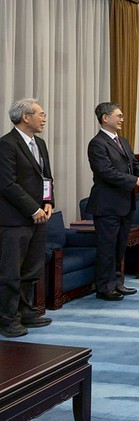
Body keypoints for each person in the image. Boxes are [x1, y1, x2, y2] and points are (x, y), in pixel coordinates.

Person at [87, 102, 139, 301]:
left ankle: (117, 283)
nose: (122, 119)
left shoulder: (123, 141)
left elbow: (134, 164)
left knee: (120, 247)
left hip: (125, 203)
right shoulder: (97, 143)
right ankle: (104, 287)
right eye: (118, 115)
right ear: (105, 118)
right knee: (107, 248)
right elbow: (106, 172)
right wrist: (137, 181)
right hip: (107, 204)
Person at [0, 99, 54, 337]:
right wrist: (33, 209)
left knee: (31, 269)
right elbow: (7, 184)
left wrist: (48, 201)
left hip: (39, 217)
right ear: (26, 117)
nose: (44, 119)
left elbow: (46, 177)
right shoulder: (6, 144)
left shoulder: (39, 143)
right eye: (41, 114)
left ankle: (26, 311)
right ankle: (7, 318)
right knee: (10, 272)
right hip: (14, 220)